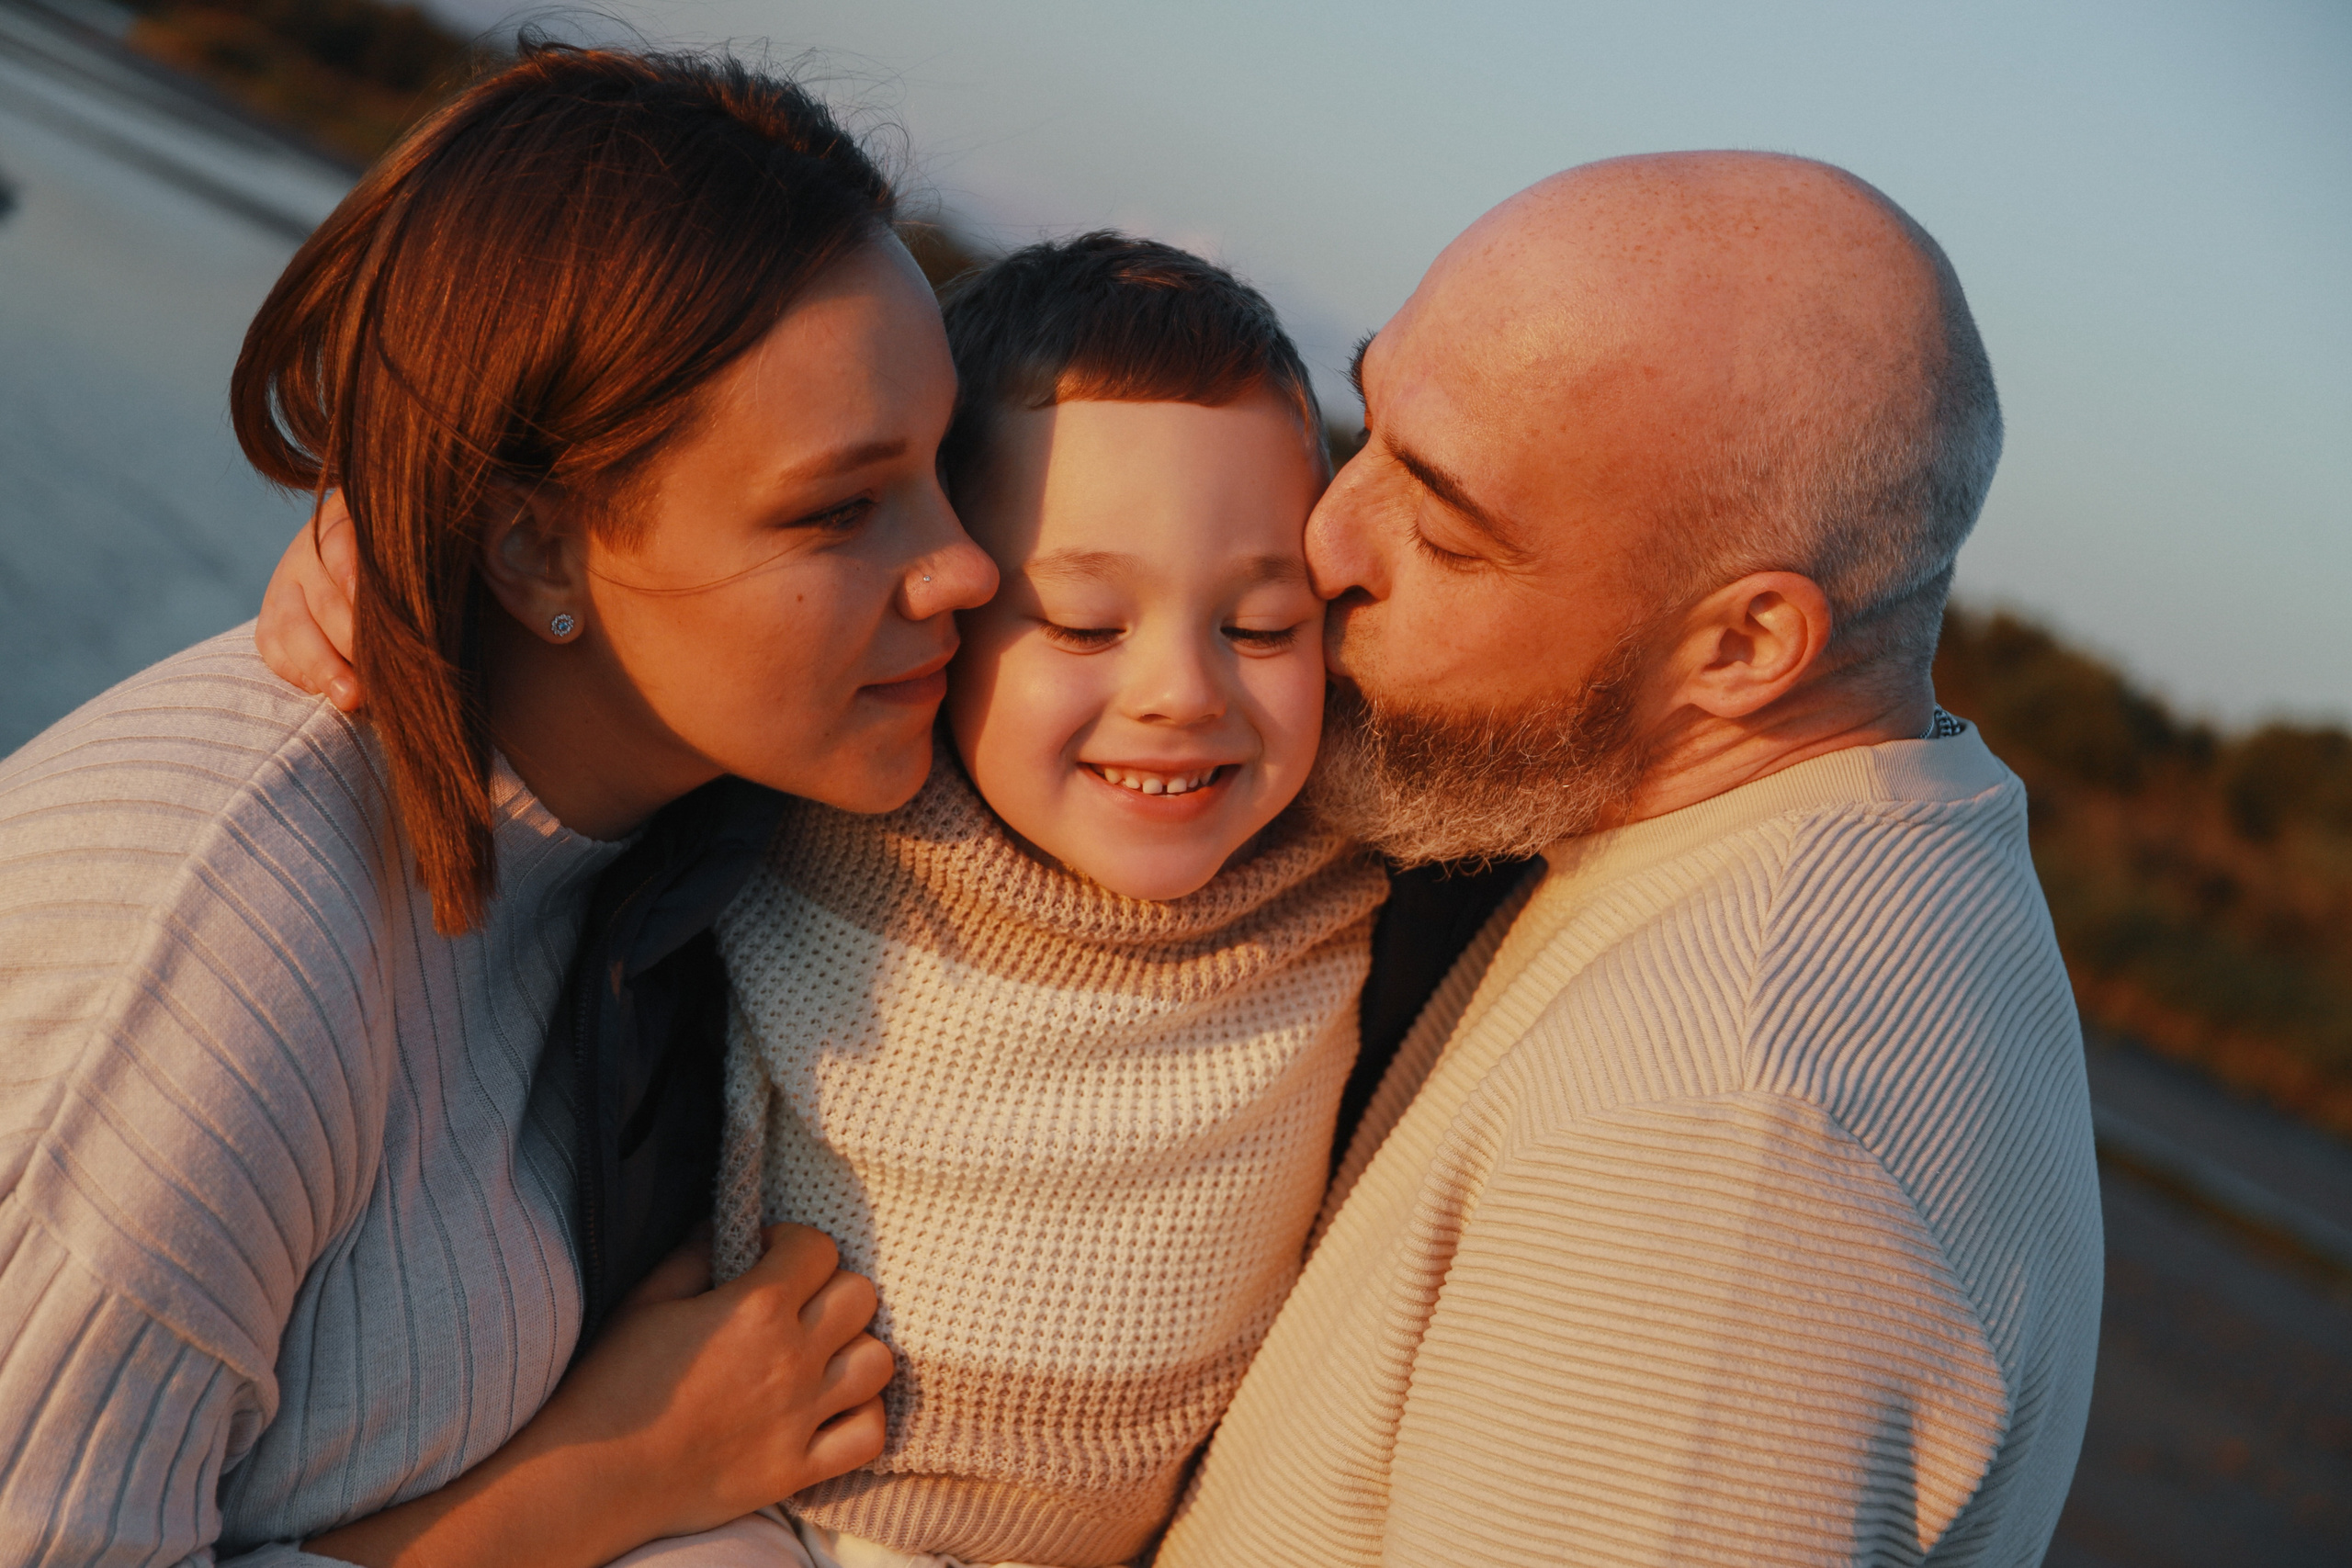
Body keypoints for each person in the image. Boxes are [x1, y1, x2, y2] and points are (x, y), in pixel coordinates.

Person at [0, 45, 998, 1568]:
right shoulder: (211, 941)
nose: (967, 566)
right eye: (840, 507)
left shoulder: (682, 821)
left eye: (949, 468)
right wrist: (611, 1474)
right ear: (535, 553)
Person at [263, 233, 1391, 1568]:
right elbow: (638, 629)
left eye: (1261, 628)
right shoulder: (837, 795)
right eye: (1085, 623)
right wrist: (383, 551)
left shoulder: (1343, 833)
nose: (1182, 693)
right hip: (765, 1510)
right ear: (946, 611)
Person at [1154, 152, 2103, 1566]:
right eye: (1368, 420)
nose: (1327, 542)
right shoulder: (1793, 852)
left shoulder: (1724, 1168)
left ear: (1743, 647)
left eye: (1444, 524)